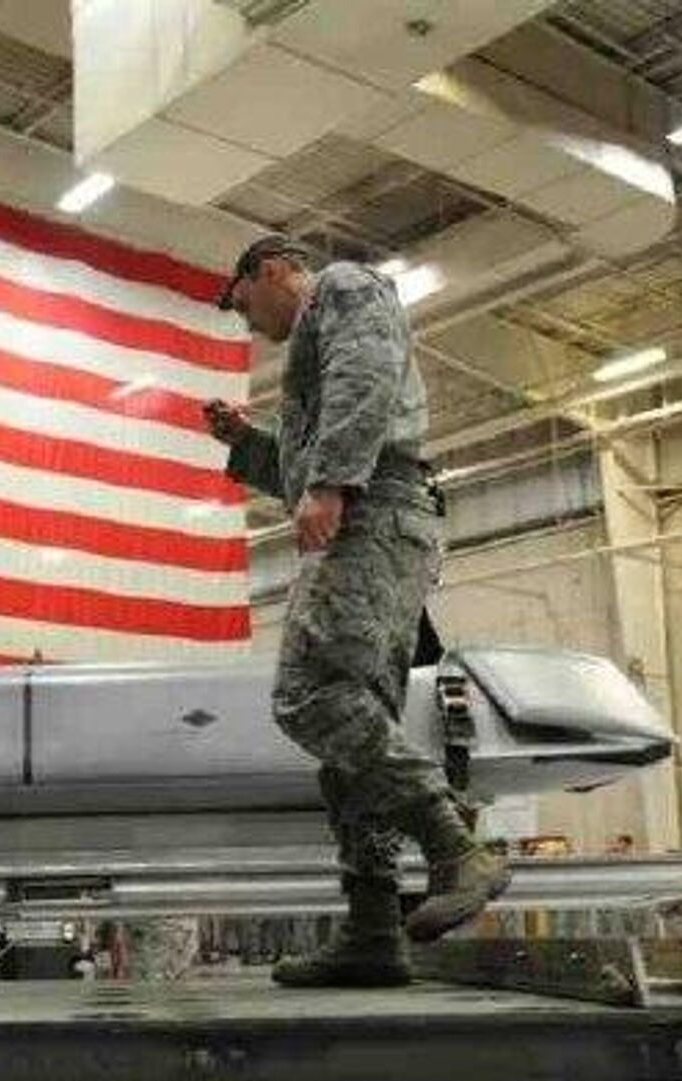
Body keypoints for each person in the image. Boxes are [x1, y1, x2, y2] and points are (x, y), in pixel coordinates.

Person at [206, 235, 507, 987]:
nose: (249, 325)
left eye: (245, 305)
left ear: (271, 270)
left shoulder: (343, 287)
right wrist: (248, 443)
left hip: (373, 514)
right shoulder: (318, 340)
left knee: (310, 695)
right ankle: (374, 928)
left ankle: (454, 847)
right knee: (353, 737)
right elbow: (308, 462)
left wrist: (332, 484)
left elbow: (365, 378)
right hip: (379, 513)